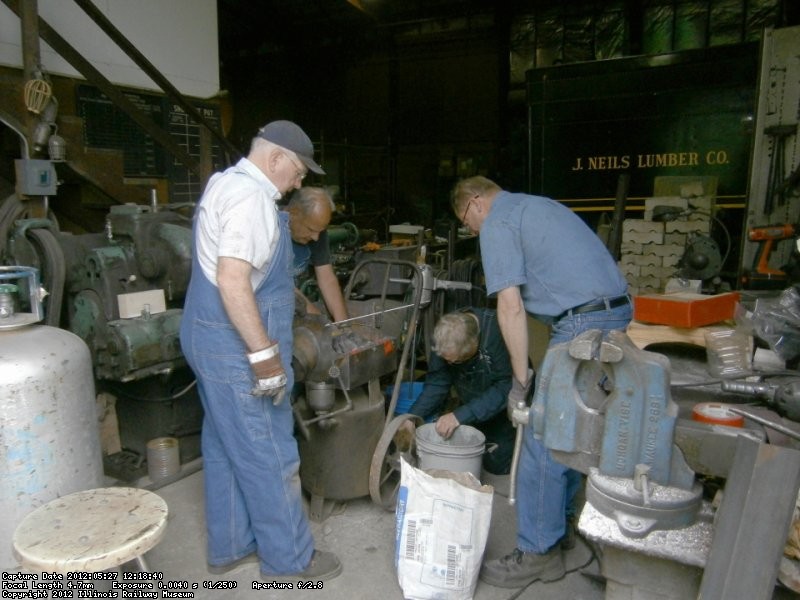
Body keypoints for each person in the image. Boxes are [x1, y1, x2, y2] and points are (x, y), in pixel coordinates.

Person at [179, 120, 342, 581]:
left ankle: (231, 544)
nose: (300, 181)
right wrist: (265, 357)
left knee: (227, 444)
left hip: (203, 336)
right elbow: (233, 280)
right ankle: (291, 559)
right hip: (235, 350)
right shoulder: (251, 199)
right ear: (275, 159)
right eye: (297, 171)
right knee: (271, 451)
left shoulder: (223, 183)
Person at [451, 175, 632, 588]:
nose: (471, 230)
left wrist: (520, 383)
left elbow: (510, 308)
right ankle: (561, 525)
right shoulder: (536, 205)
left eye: (466, 221)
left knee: (542, 434)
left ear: (475, 202)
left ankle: (537, 552)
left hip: (584, 323)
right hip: (612, 313)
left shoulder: (497, 221)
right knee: (571, 431)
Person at [403, 308, 517, 475]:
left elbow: (506, 386)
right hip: (471, 400)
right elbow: (437, 383)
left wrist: (460, 415)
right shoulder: (444, 337)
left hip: (501, 405)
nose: (449, 364)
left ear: (474, 344)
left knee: (496, 464)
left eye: (456, 361)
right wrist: (411, 417)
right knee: (459, 447)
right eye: (446, 360)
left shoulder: (498, 332)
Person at [285, 186, 349, 322]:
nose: (315, 238)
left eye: (320, 231)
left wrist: (343, 325)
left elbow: (327, 278)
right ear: (293, 213)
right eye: (311, 229)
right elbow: (283, 286)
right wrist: (321, 323)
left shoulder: (317, 233)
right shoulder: (271, 230)